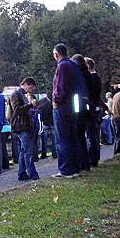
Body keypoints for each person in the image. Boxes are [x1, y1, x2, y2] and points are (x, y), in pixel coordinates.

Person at [52, 44, 83, 177]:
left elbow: (61, 87)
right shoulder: (73, 65)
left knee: (62, 138)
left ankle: (65, 169)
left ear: (56, 54)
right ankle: (74, 167)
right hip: (72, 106)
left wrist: (56, 100)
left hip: (63, 106)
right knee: (72, 137)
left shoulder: (62, 66)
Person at [9, 78, 40, 181]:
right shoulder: (16, 94)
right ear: (26, 84)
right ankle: (33, 174)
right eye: (31, 87)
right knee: (27, 152)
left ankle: (22, 173)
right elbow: (17, 110)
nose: (31, 90)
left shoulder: (21, 94)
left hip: (23, 125)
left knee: (23, 151)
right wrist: (31, 105)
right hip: (21, 126)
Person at [70, 54, 91, 173]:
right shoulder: (87, 75)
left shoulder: (79, 76)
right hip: (85, 109)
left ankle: (81, 163)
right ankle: (85, 162)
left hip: (79, 110)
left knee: (78, 137)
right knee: (82, 137)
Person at [83, 57, 105, 167]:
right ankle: (95, 157)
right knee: (95, 134)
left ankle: (93, 158)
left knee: (91, 135)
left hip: (91, 109)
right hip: (96, 108)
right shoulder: (97, 77)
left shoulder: (92, 78)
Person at [38, 91, 56, 159]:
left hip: (44, 122)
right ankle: (55, 153)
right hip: (52, 122)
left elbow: (39, 112)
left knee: (43, 140)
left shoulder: (41, 102)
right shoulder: (53, 102)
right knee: (54, 139)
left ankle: (44, 154)